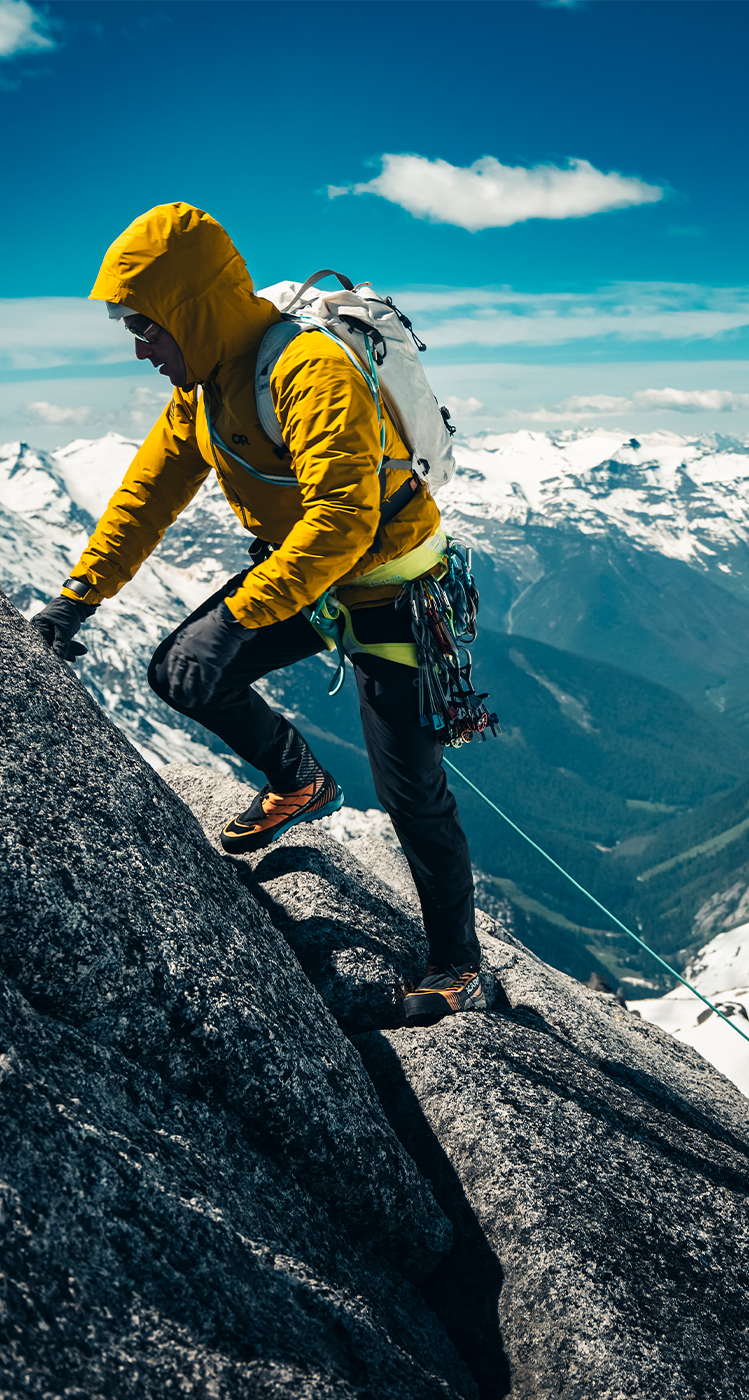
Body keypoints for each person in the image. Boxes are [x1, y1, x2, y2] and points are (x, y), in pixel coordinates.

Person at [30, 202, 485, 1024]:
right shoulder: (201, 392)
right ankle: (297, 780)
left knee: (409, 790)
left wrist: (239, 616)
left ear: (190, 310)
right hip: (309, 580)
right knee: (179, 670)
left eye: (146, 327)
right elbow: (145, 498)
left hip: (392, 590)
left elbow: (344, 517)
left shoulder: (309, 370)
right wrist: (76, 600)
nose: (139, 349)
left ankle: (459, 965)